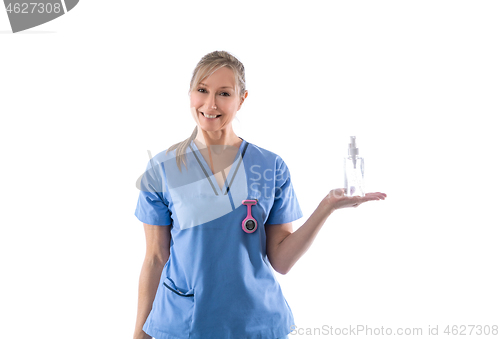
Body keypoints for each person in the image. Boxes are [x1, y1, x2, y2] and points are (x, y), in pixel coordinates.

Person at [133, 51, 387, 339]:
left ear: (241, 99)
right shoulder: (162, 169)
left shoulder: (270, 166)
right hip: (183, 323)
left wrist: (326, 207)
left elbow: (281, 261)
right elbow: (155, 258)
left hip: (256, 323)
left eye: (224, 93)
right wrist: (139, 334)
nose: (210, 103)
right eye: (202, 90)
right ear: (190, 94)